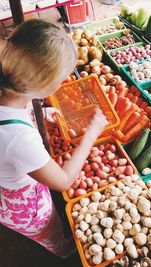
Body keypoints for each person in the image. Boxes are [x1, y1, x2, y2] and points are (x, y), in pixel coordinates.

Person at [0, 19, 108, 258]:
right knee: (50, 229)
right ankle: (64, 250)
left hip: (9, 181)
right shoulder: (19, 138)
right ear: (44, 87)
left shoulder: (10, 91)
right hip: (25, 206)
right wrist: (90, 135)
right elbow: (63, 181)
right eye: (60, 81)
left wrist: (40, 113)